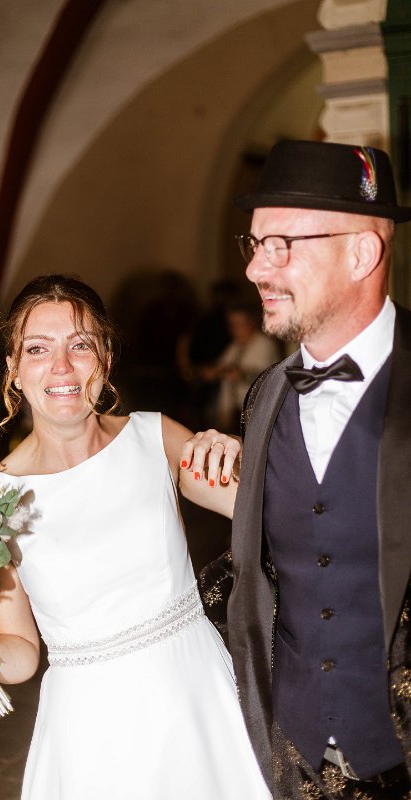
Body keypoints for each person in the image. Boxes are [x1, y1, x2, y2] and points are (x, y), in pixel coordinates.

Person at [0, 274, 270, 800]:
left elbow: (269, 516)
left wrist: (241, 456)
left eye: (80, 345)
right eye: (38, 349)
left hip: (196, 698)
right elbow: (22, 650)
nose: (61, 366)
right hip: (92, 728)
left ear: (106, 359)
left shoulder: (156, 436)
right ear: (13, 369)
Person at [227, 139, 411, 799]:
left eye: (282, 245)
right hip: (293, 757)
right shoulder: (264, 397)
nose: (257, 268)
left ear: (361, 253)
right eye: (255, 245)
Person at [200, 303, 280, 432]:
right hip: (235, 412)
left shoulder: (264, 345)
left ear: (251, 323)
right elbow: (220, 367)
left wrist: (240, 374)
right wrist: (213, 371)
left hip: (257, 413)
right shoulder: (234, 346)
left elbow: (266, 378)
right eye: (231, 325)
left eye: (239, 324)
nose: (234, 329)